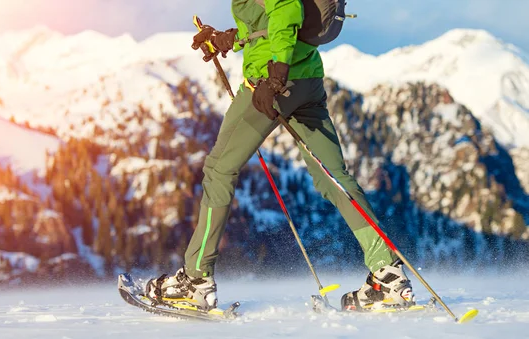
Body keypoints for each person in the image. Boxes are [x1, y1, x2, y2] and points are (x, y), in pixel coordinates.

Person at [145, 0, 415, 312]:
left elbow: (286, 10)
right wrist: (227, 39)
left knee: (219, 169)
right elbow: (269, 20)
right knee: (332, 176)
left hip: (272, 82)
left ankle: (195, 281)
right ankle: (388, 274)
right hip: (307, 81)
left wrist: (275, 76)